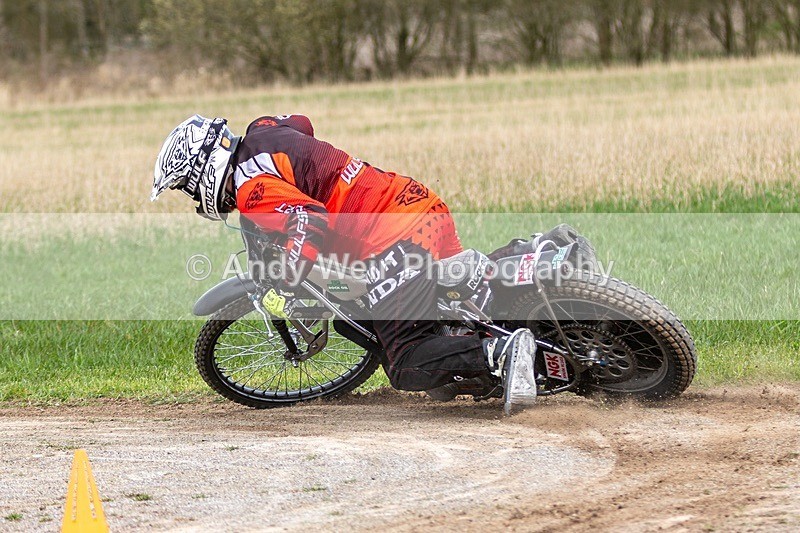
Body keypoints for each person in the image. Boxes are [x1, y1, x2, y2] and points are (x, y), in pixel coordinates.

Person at [151, 114, 537, 412]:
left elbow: (309, 220)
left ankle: (500, 353)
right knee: (462, 300)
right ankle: (534, 256)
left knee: (404, 361)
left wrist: (288, 280)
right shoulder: (262, 129)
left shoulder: (252, 191)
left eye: (186, 184)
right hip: (415, 201)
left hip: (395, 234)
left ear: (204, 168)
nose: (191, 194)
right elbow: (301, 124)